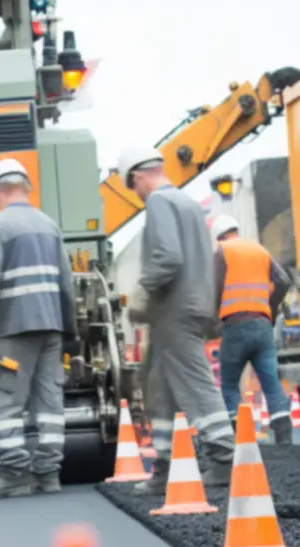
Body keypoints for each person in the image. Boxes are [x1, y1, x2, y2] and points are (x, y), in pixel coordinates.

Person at [117, 144, 235, 492]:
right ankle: (166, 467)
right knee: (159, 386)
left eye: (132, 187)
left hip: (174, 309)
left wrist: (142, 292)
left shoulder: (160, 202)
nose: (136, 195)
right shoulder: (188, 203)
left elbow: (167, 257)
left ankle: (225, 457)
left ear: (137, 176)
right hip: (191, 305)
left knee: (194, 381)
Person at [0, 158, 77, 499]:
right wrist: (68, 329)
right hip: (51, 328)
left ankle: (13, 473)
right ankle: (49, 474)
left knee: (6, 401)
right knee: (49, 401)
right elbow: (67, 284)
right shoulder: (49, 225)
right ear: (26, 187)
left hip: (14, 329)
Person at [210, 214, 293, 443]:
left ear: (219, 236)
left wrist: (213, 319)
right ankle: (285, 439)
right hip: (262, 325)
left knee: (229, 384)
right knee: (271, 382)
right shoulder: (259, 250)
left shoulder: (221, 251)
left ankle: (243, 439)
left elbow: (214, 289)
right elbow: (283, 281)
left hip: (235, 327)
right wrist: (270, 309)